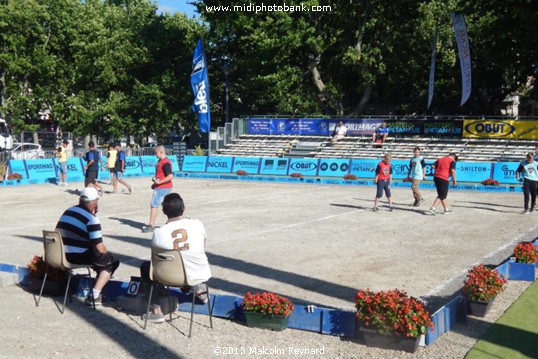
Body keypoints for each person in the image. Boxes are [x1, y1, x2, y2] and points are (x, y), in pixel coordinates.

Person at [140, 193, 211, 323]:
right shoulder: (197, 224)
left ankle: (156, 311)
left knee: (146, 267)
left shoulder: (159, 232)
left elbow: (156, 257)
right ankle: (196, 286)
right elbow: (203, 245)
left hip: (170, 276)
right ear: (183, 207)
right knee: (190, 256)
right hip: (198, 272)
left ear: (164, 212)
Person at [55, 187, 120, 305]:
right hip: (75, 257)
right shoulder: (92, 219)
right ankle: (94, 295)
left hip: (58, 254)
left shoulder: (68, 211)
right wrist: (107, 257)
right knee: (111, 261)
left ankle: (99, 281)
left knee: (100, 258)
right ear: (95, 203)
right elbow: (100, 248)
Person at [142, 145, 174, 233]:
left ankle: (151, 225)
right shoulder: (161, 161)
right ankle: (172, 223)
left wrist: (159, 183)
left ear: (161, 152)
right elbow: (161, 175)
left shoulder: (165, 163)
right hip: (162, 187)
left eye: (156, 152)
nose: (155, 154)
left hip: (162, 188)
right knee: (166, 205)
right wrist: (155, 183)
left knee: (154, 204)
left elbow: (170, 176)